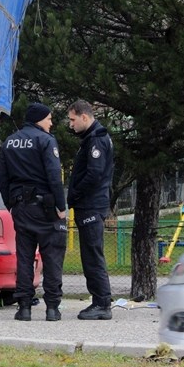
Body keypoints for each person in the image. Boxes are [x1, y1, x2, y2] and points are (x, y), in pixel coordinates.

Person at [0, 103, 67, 321]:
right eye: (49, 119)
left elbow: (3, 179)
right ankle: (52, 308)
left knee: (25, 257)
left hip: (21, 208)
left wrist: (9, 204)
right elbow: (54, 176)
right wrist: (61, 207)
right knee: (52, 255)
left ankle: (24, 307)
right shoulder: (46, 141)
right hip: (45, 208)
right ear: (39, 119)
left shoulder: (9, 142)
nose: (51, 123)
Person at [67, 100, 115, 320]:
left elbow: (94, 175)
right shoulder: (91, 138)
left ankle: (102, 303)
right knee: (90, 254)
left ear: (84, 117)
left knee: (92, 255)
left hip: (91, 205)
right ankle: (100, 300)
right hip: (90, 204)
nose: (71, 125)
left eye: (73, 119)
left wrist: (75, 194)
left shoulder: (95, 140)